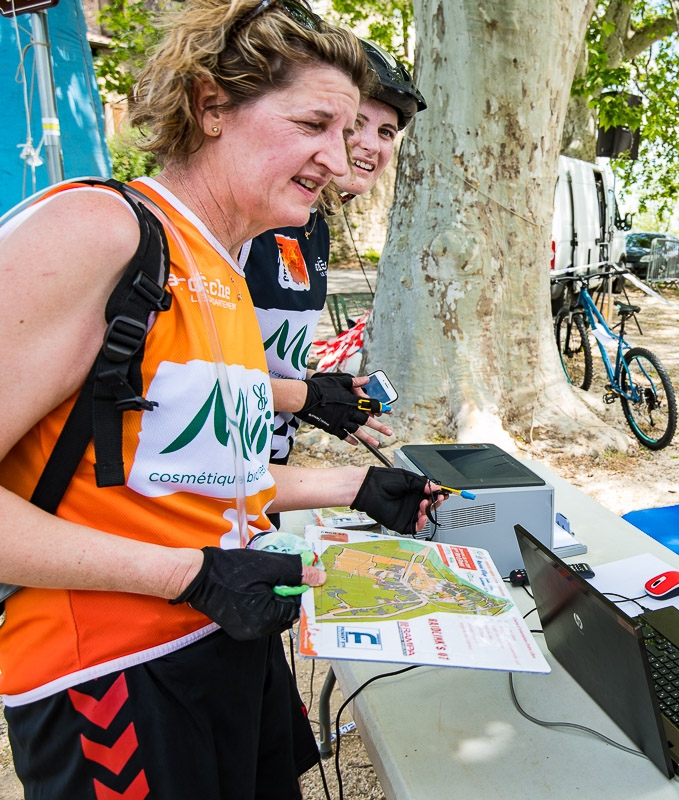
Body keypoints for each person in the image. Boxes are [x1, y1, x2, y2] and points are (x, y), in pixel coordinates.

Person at [0, 2, 437, 797]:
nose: (339, 164)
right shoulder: (101, 229)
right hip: (110, 671)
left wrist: (355, 486)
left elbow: (186, 478)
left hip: (228, 646)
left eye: (346, 137)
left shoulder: (226, 269)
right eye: (313, 124)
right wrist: (188, 577)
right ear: (210, 107)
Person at [243, 38, 428, 464]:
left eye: (385, 132)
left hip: (265, 476)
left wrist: (324, 391)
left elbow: (256, 362)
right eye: (353, 124)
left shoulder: (314, 228)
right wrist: (306, 396)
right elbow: (188, 378)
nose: (369, 144)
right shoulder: (251, 219)